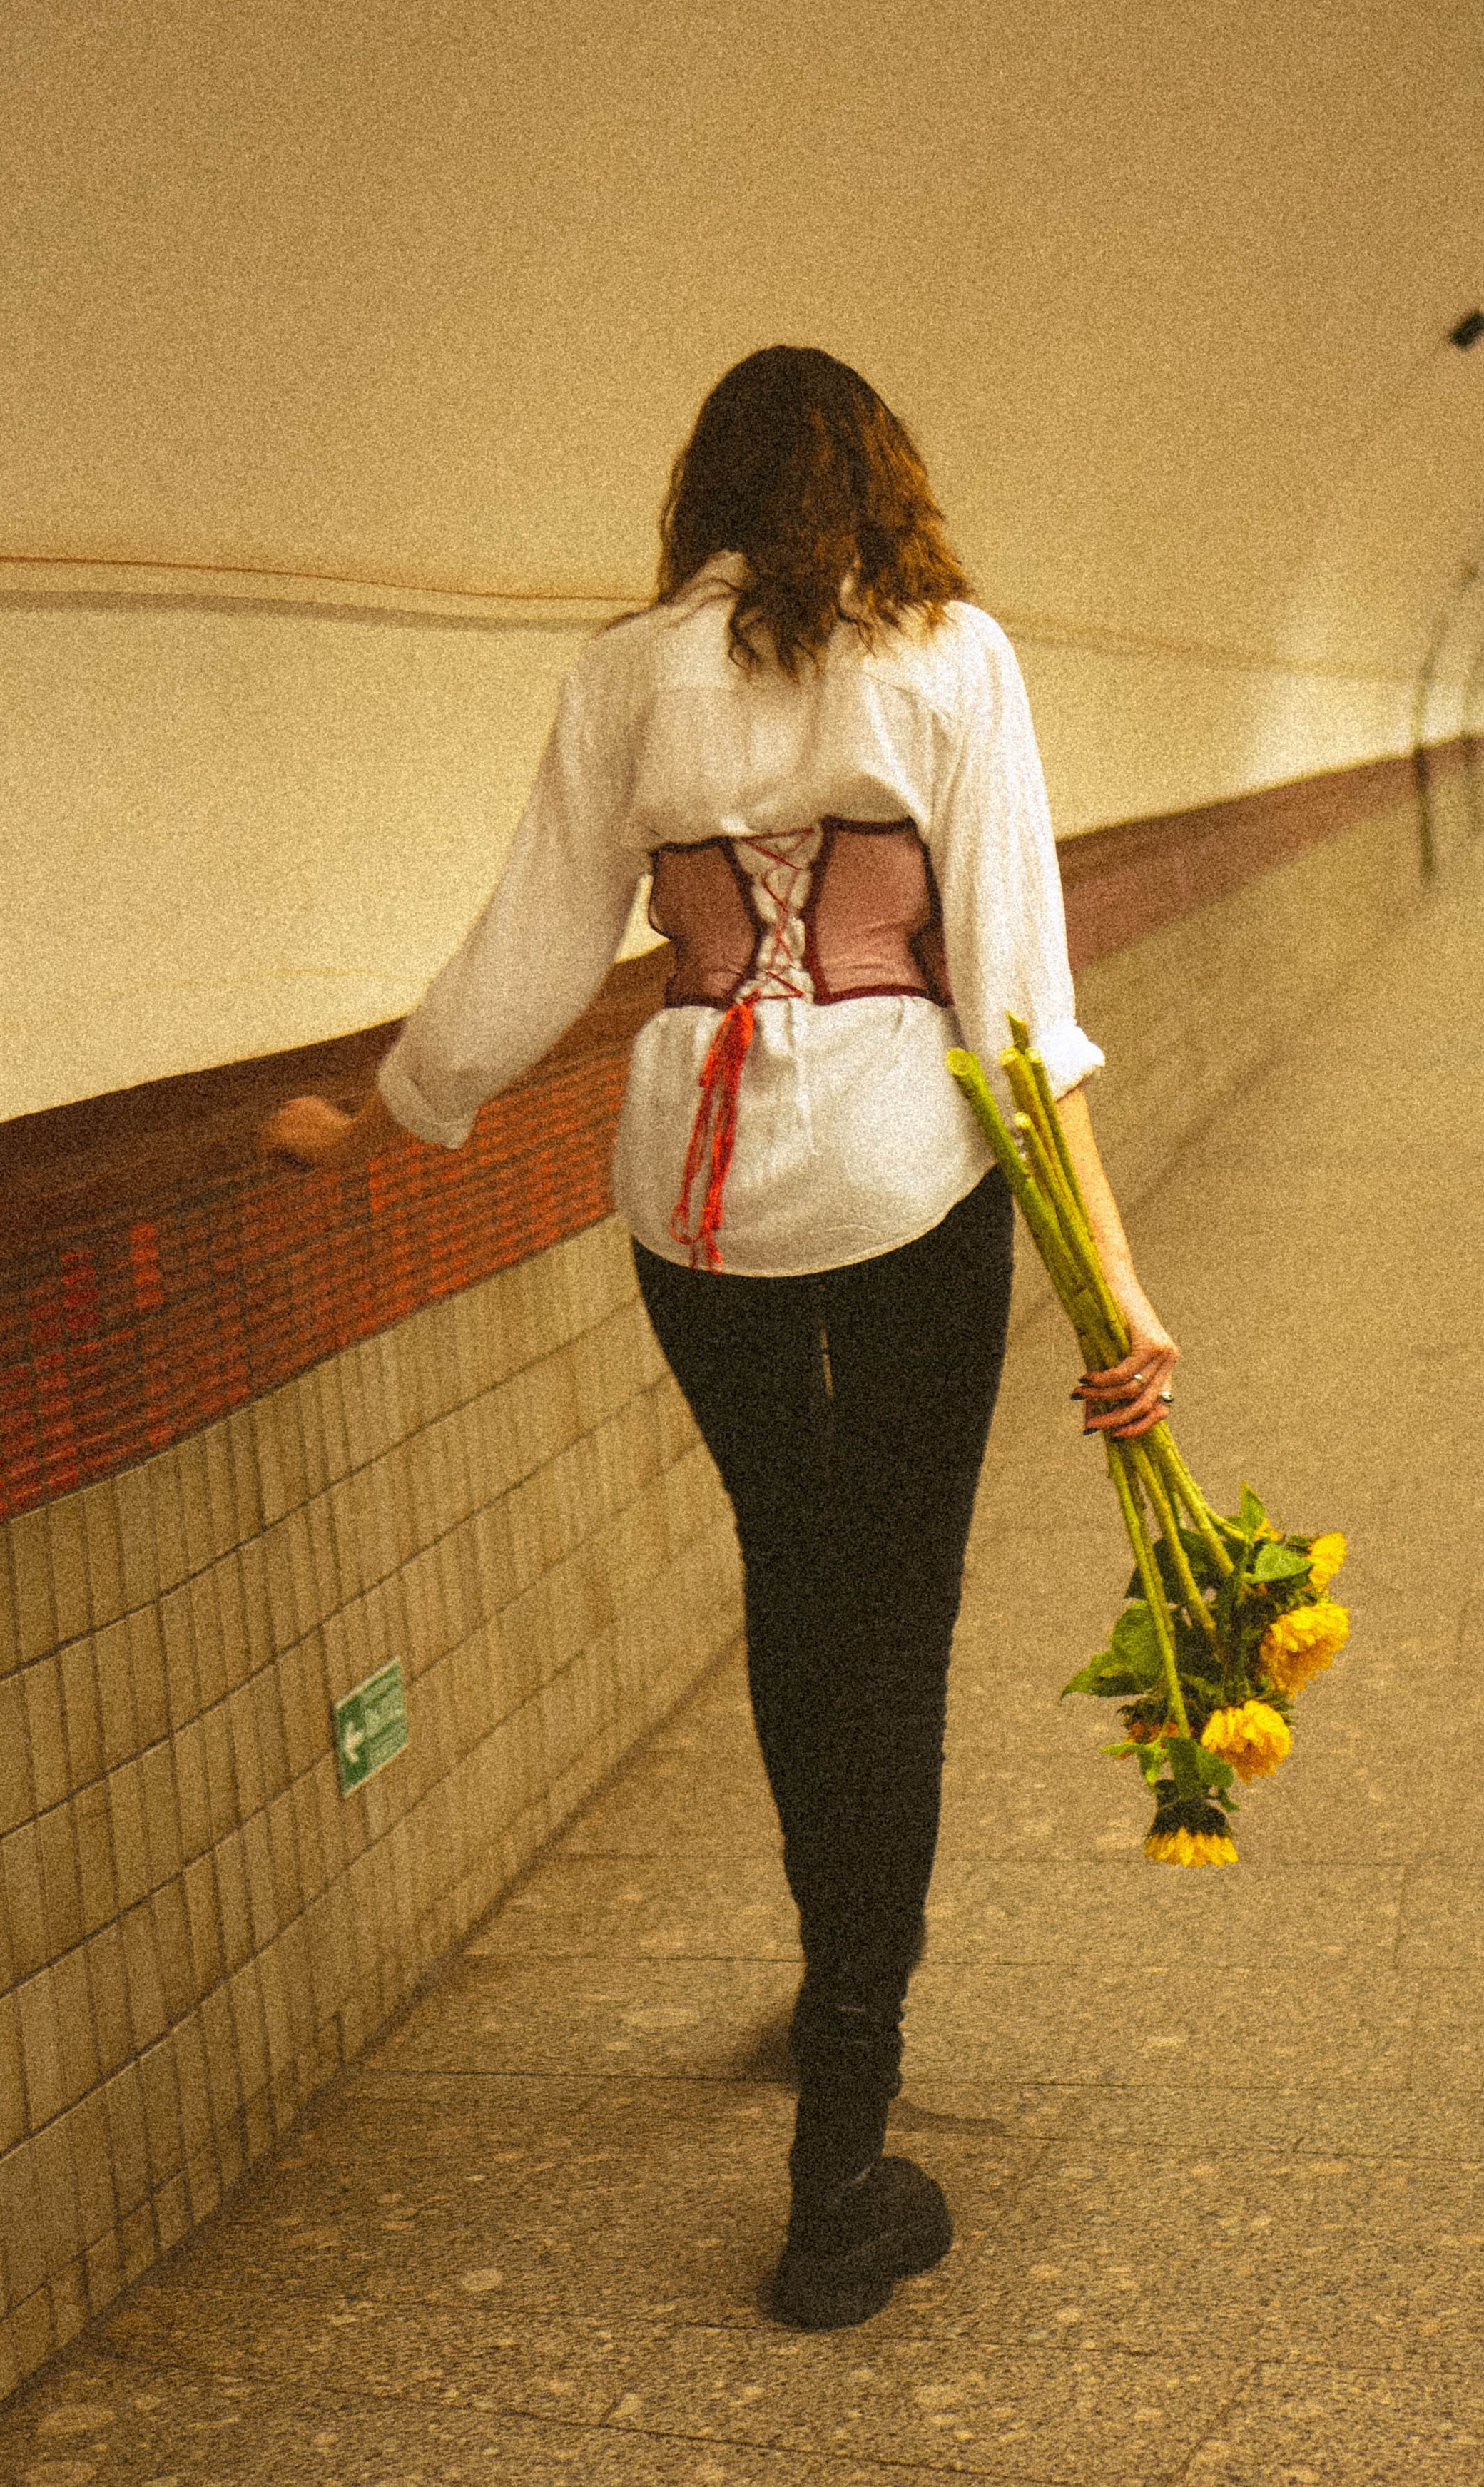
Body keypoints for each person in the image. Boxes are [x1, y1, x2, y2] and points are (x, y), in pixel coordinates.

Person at [260, 347, 1179, 2332]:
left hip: (691, 1198)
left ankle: (830, 1960)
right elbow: (1016, 1005)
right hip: (906, 1180)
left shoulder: (627, 674)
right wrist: (1112, 1280)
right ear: (886, 479)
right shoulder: (950, 659)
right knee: (895, 1614)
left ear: (706, 488)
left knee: (794, 1570)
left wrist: (379, 1117)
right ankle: (842, 2151)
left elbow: (527, 950)